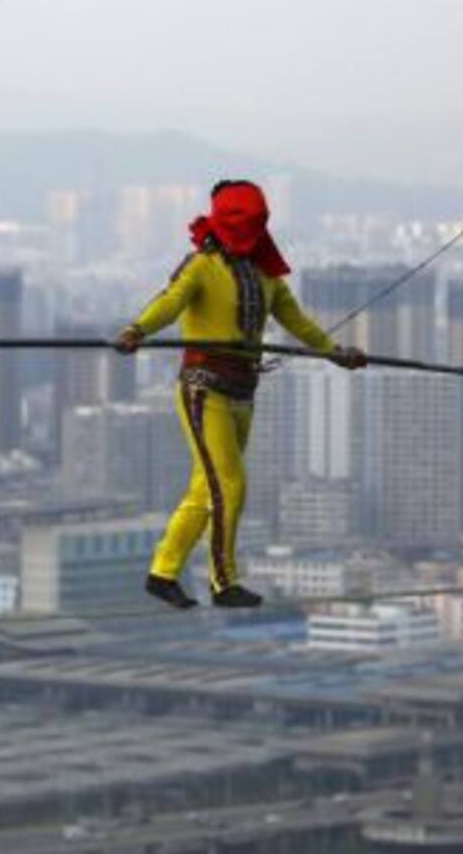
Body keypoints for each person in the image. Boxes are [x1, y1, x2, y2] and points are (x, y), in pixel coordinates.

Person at [116, 179, 366, 608]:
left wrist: (335, 352)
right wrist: (137, 329)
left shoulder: (267, 277)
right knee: (229, 486)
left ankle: (162, 571)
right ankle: (223, 583)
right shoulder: (200, 267)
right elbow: (170, 302)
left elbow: (298, 323)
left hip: (242, 393)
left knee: (207, 488)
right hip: (203, 389)